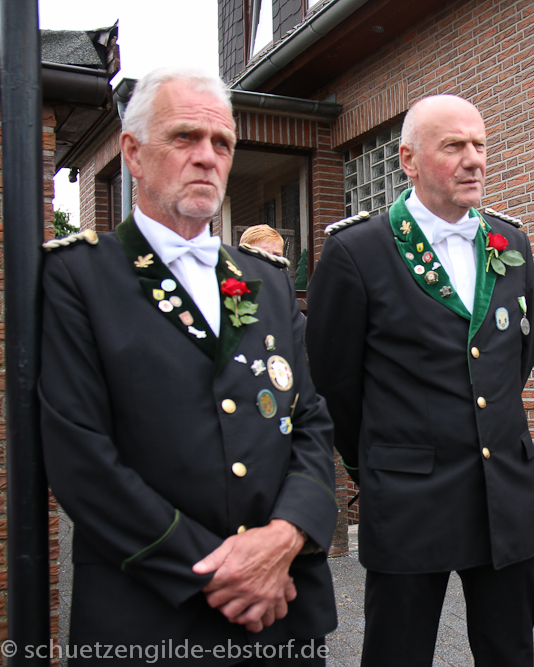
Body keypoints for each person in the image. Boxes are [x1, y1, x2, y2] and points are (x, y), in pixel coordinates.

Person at [39, 67, 339, 663]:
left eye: (222, 142)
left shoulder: (267, 281)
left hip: (281, 612)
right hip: (151, 615)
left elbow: (310, 421)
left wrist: (286, 537)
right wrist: (221, 572)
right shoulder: (78, 277)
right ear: (133, 153)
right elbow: (81, 458)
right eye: (185, 137)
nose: (207, 156)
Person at [305, 94, 534, 667]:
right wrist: (378, 464)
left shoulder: (511, 242)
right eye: (454, 146)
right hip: (410, 500)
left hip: (504, 494)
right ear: (408, 160)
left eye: (479, 145)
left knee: (510, 653)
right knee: (398, 654)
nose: (473, 159)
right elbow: (334, 385)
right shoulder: (356, 251)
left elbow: (516, 358)